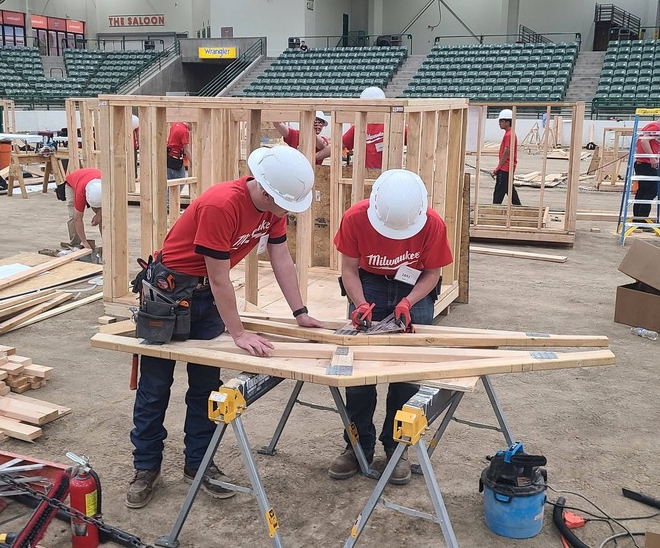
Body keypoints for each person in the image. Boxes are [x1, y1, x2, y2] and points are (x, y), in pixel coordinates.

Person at [128, 145, 324, 509]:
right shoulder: (223, 204)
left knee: (206, 388)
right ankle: (145, 468)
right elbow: (219, 278)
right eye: (286, 205)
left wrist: (300, 310)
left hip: (204, 298)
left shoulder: (272, 206)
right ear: (266, 190)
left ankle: (199, 465)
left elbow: (280, 256)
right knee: (155, 387)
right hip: (170, 293)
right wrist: (238, 333)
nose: (288, 213)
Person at [329, 169, 453, 484]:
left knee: (406, 374)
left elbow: (432, 274)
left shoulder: (433, 224)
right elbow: (348, 269)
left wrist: (408, 303)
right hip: (367, 284)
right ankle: (357, 447)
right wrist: (359, 304)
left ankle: (397, 448)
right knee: (359, 374)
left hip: (413, 290)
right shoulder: (356, 218)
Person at [318, 86, 404, 169]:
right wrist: (313, 158)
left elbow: (414, 140)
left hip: (387, 175)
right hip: (364, 175)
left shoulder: (393, 125)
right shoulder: (358, 127)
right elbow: (336, 146)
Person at [57, 168, 101, 250]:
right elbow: (78, 219)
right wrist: (84, 241)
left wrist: (99, 215)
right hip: (72, 184)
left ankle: (107, 243)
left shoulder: (108, 186)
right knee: (73, 216)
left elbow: (108, 205)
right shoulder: (80, 193)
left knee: (105, 216)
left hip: (91, 179)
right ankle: (75, 245)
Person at [493, 109, 522, 205]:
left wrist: (498, 167)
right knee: (509, 190)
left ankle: (495, 211)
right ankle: (518, 207)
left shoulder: (509, 135)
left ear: (507, 122)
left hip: (505, 168)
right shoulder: (510, 134)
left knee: (499, 192)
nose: (499, 123)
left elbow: (507, 151)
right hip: (508, 168)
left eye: (501, 121)